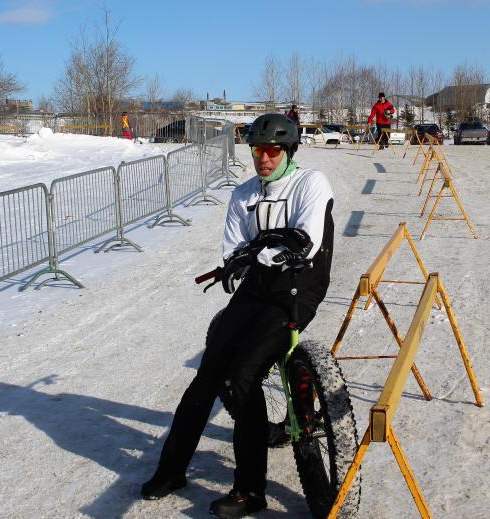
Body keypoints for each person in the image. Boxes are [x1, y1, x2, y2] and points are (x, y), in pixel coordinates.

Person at [140, 113, 335, 519]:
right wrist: (255, 252)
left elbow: (305, 242)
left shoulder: (310, 183)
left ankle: (251, 491)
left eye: (272, 150)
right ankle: (172, 469)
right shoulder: (243, 194)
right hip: (257, 288)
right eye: (257, 150)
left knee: (242, 374)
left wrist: (259, 250)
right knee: (207, 373)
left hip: (297, 288)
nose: (263, 158)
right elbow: (233, 252)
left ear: (288, 150)